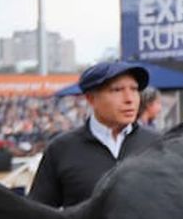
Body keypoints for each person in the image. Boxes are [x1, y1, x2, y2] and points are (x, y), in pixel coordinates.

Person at [27, 61, 158, 208]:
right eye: (117, 90)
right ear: (91, 99)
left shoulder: (158, 144)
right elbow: (40, 214)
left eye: (134, 89)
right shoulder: (61, 149)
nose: (129, 99)